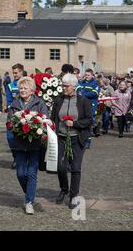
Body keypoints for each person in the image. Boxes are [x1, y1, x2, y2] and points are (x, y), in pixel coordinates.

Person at [7, 77, 49, 214]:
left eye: (25, 88)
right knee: (20, 173)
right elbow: (9, 123)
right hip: (19, 144)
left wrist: (35, 124)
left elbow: (45, 120)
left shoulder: (39, 103)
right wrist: (16, 124)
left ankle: (29, 202)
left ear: (32, 90)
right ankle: (29, 194)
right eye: (21, 88)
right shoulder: (14, 104)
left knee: (31, 173)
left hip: (35, 144)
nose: (22, 90)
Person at [51, 74, 93, 209]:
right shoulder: (58, 100)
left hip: (77, 138)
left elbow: (89, 120)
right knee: (60, 167)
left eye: (66, 86)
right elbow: (53, 118)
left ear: (74, 87)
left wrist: (74, 123)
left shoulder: (83, 101)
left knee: (75, 168)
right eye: (62, 85)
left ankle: (74, 195)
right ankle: (64, 189)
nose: (63, 88)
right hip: (61, 138)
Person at [5, 63, 24, 168]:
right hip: (13, 115)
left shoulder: (27, 84)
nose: (15, 75)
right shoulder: (10, 86)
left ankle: (22, 159)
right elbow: (8, 100)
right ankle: (16, 157)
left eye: (16, 73)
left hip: (26, 115)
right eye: (13, 73)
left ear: (21, 72)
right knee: (10, 137)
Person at [76, 69, 100, 147]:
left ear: (92, 75)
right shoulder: (81, 83)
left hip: (91, 107)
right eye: (86, 75)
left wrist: (83, 94)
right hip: (81, 106)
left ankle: (88, 141)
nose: (86, 76)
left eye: (88, 75)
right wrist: (82, 93)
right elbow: (77, 90)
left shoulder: (95, 83)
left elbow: (94, 93)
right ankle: (81, 139)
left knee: (89, 124)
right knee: (81, 123)